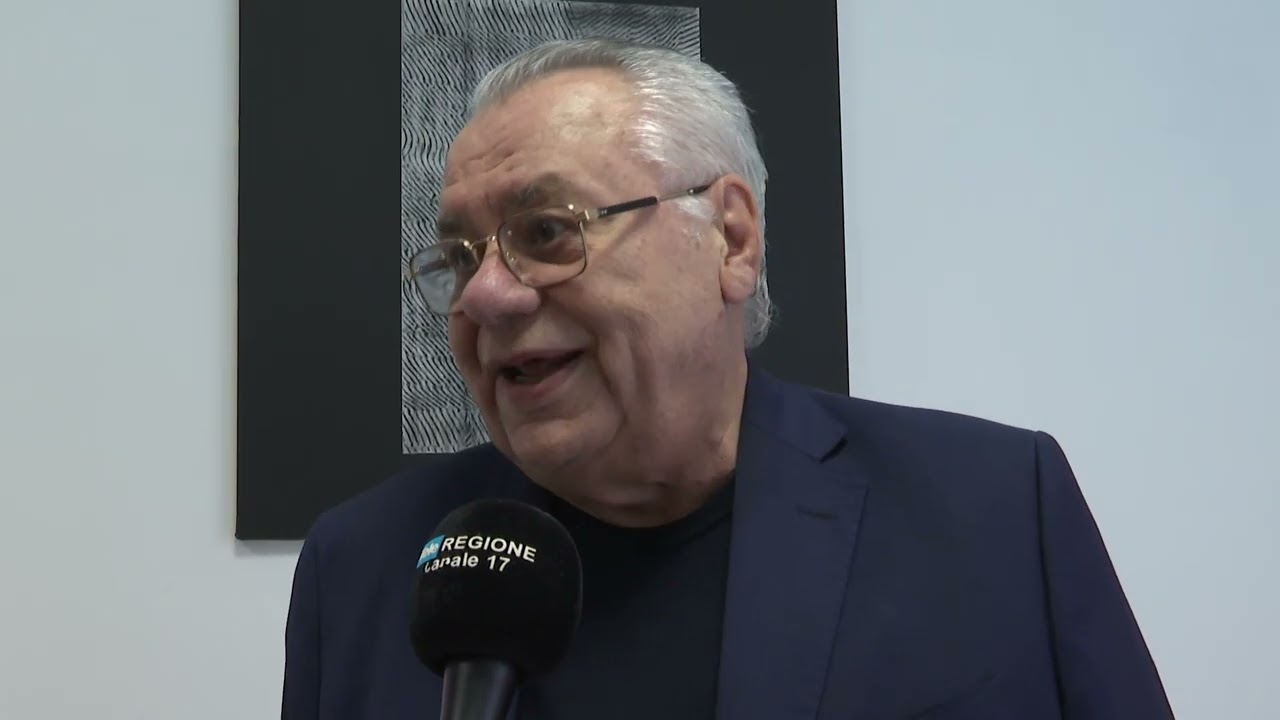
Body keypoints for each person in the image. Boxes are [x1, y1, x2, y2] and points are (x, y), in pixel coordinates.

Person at [281, 38, 1174, 719]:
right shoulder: (360, 570)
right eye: (459, 257)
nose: (484, 294)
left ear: (731, 241)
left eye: (547, 231)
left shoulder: (994, 508)